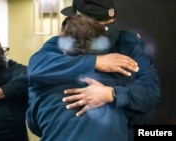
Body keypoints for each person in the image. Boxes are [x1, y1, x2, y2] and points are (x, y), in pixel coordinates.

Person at [26, 0, 161, 141]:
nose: (110, 28)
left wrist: (111, 94)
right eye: (103, 23)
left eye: (112, 21)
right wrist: (96, 62)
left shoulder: (128, 43)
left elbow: (151, 93)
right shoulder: (57, 47)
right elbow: (36, 68)